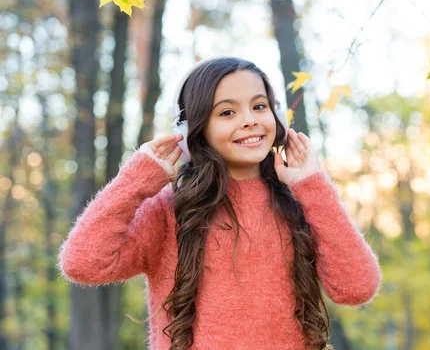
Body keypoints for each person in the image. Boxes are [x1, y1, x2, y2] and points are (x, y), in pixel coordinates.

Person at [58, 57, 382, 350]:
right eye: (227, 112)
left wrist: (313, 187)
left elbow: (357, 288)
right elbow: (83, 263)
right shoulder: (169, 210)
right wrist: (137, 179)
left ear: (277, 115)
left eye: (259, 106)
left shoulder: (301, 203)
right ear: (193, 130)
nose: (249, 120)